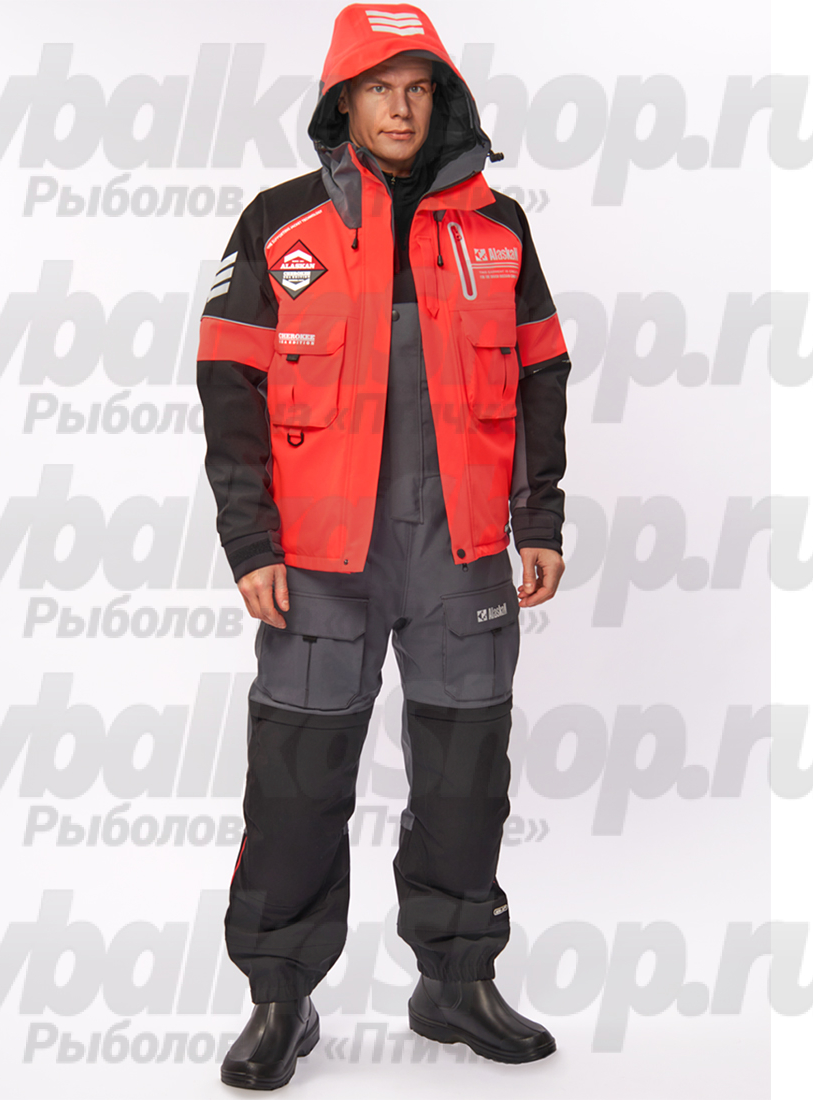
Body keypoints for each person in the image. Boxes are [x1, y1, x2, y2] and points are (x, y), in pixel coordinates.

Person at [196, 3, 572, 1089]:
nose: (399, 110)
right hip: (318, 558)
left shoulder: (499, 228)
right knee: (295, 781)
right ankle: (280, 995)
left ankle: (455, 980)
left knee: (466, 779)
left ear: (441, 100)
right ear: (342, 102)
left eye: (417, 89)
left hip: (462, 549)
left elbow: (541, 371)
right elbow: (228, 385)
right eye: (377, 89)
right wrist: (249, 540)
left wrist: (538, 519)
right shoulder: (279, 224)